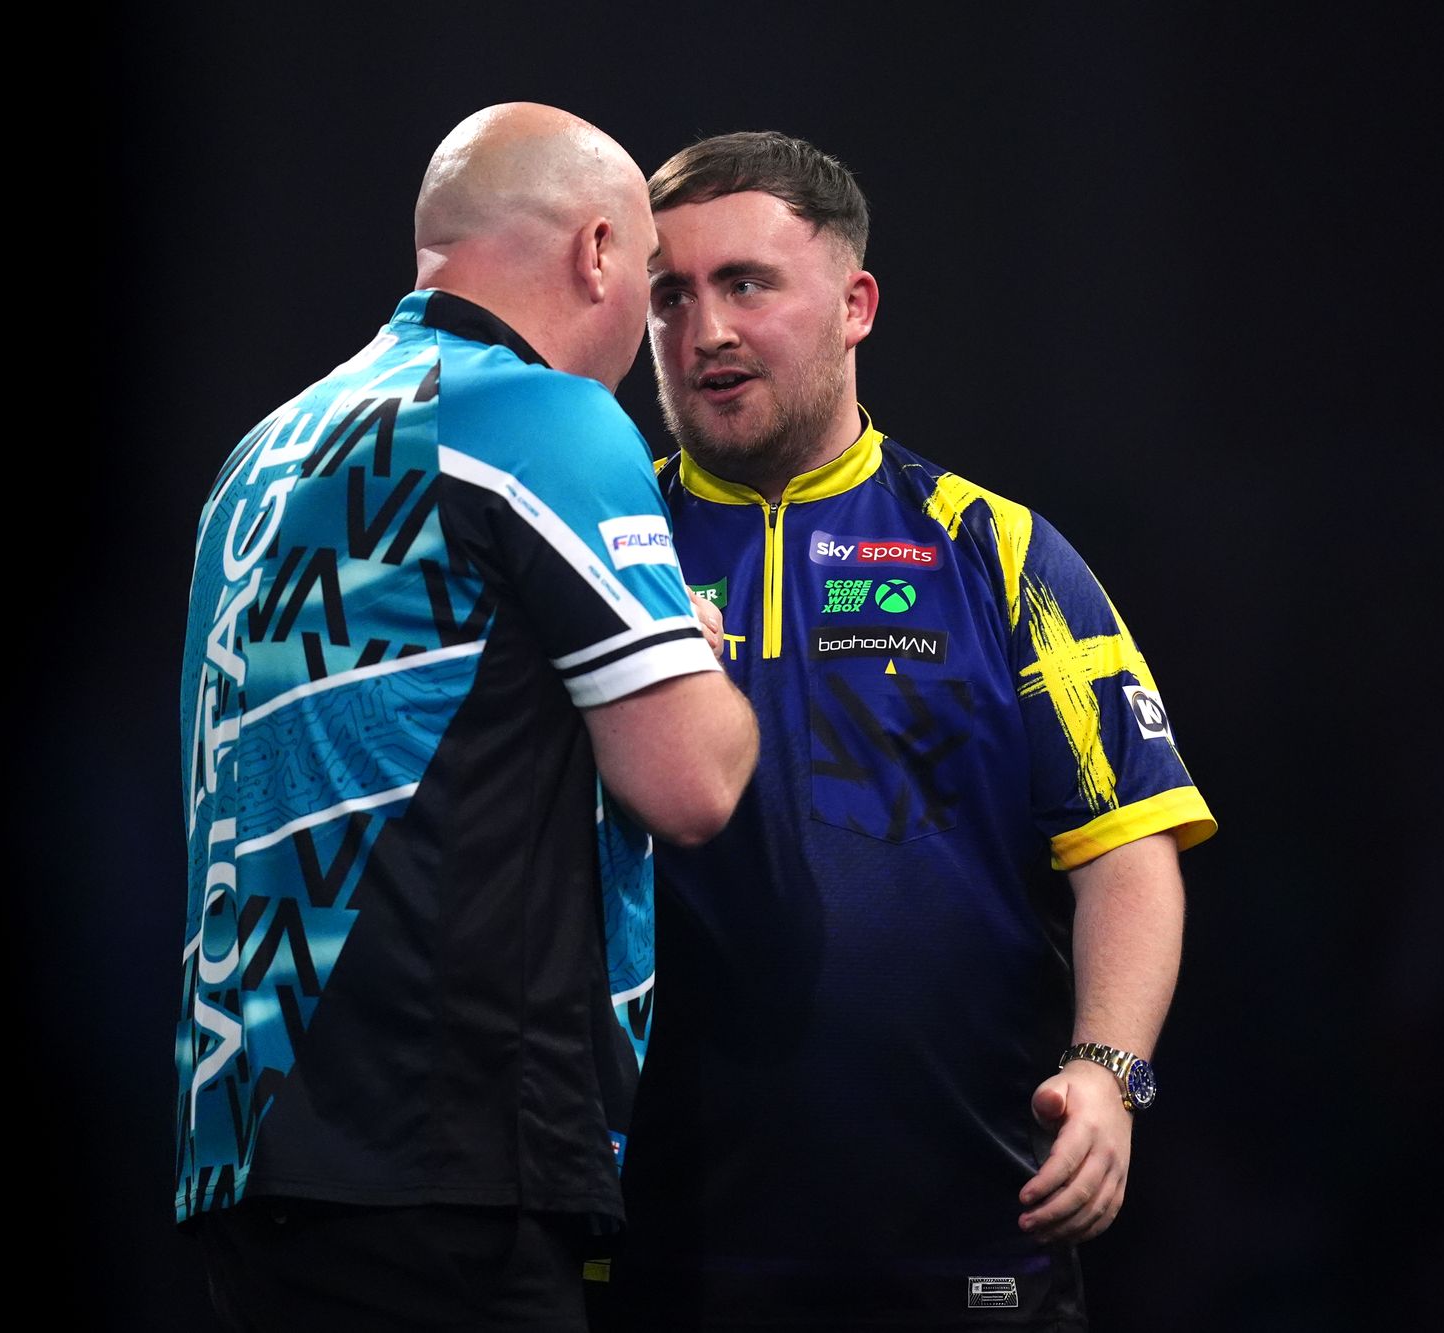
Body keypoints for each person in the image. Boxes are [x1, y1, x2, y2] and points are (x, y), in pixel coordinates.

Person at [605, 131, 1217, 1330]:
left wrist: (1106, 1076)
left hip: (968, 1247)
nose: (704, 332)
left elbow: (1127, 849)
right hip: (655, 1250)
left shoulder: (997, 551)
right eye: (668, 295)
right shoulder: (595, 555)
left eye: (745, 283)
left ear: (854, 303)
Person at [173, 103, 759, 1332]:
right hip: (448, 1154)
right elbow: (689, 782)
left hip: (243, 1155)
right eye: (650, 280)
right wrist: (697, 662)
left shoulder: (260, 453)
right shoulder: (539, 417)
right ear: (597, 252)